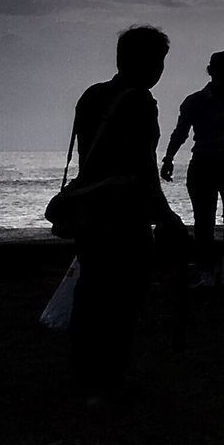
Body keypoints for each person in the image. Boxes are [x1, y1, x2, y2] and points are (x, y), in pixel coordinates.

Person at [69, 25, 187, 403]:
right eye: (159, 61)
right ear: (147, 61)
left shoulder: (92, 96)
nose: (160, 70)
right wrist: (166, 215)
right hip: (125, 212)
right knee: (123, 298)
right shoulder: (141, 102)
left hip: (91, 208)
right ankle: (110, 379)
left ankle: (85, 375)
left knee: (91, 293)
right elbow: (142, 165)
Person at [161, 51, 224, 287]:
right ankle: (207, 270)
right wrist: (168, 158)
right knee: (204, 222)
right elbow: (181, 132)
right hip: (205, 165)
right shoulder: (194, 101)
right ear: (213, 71)